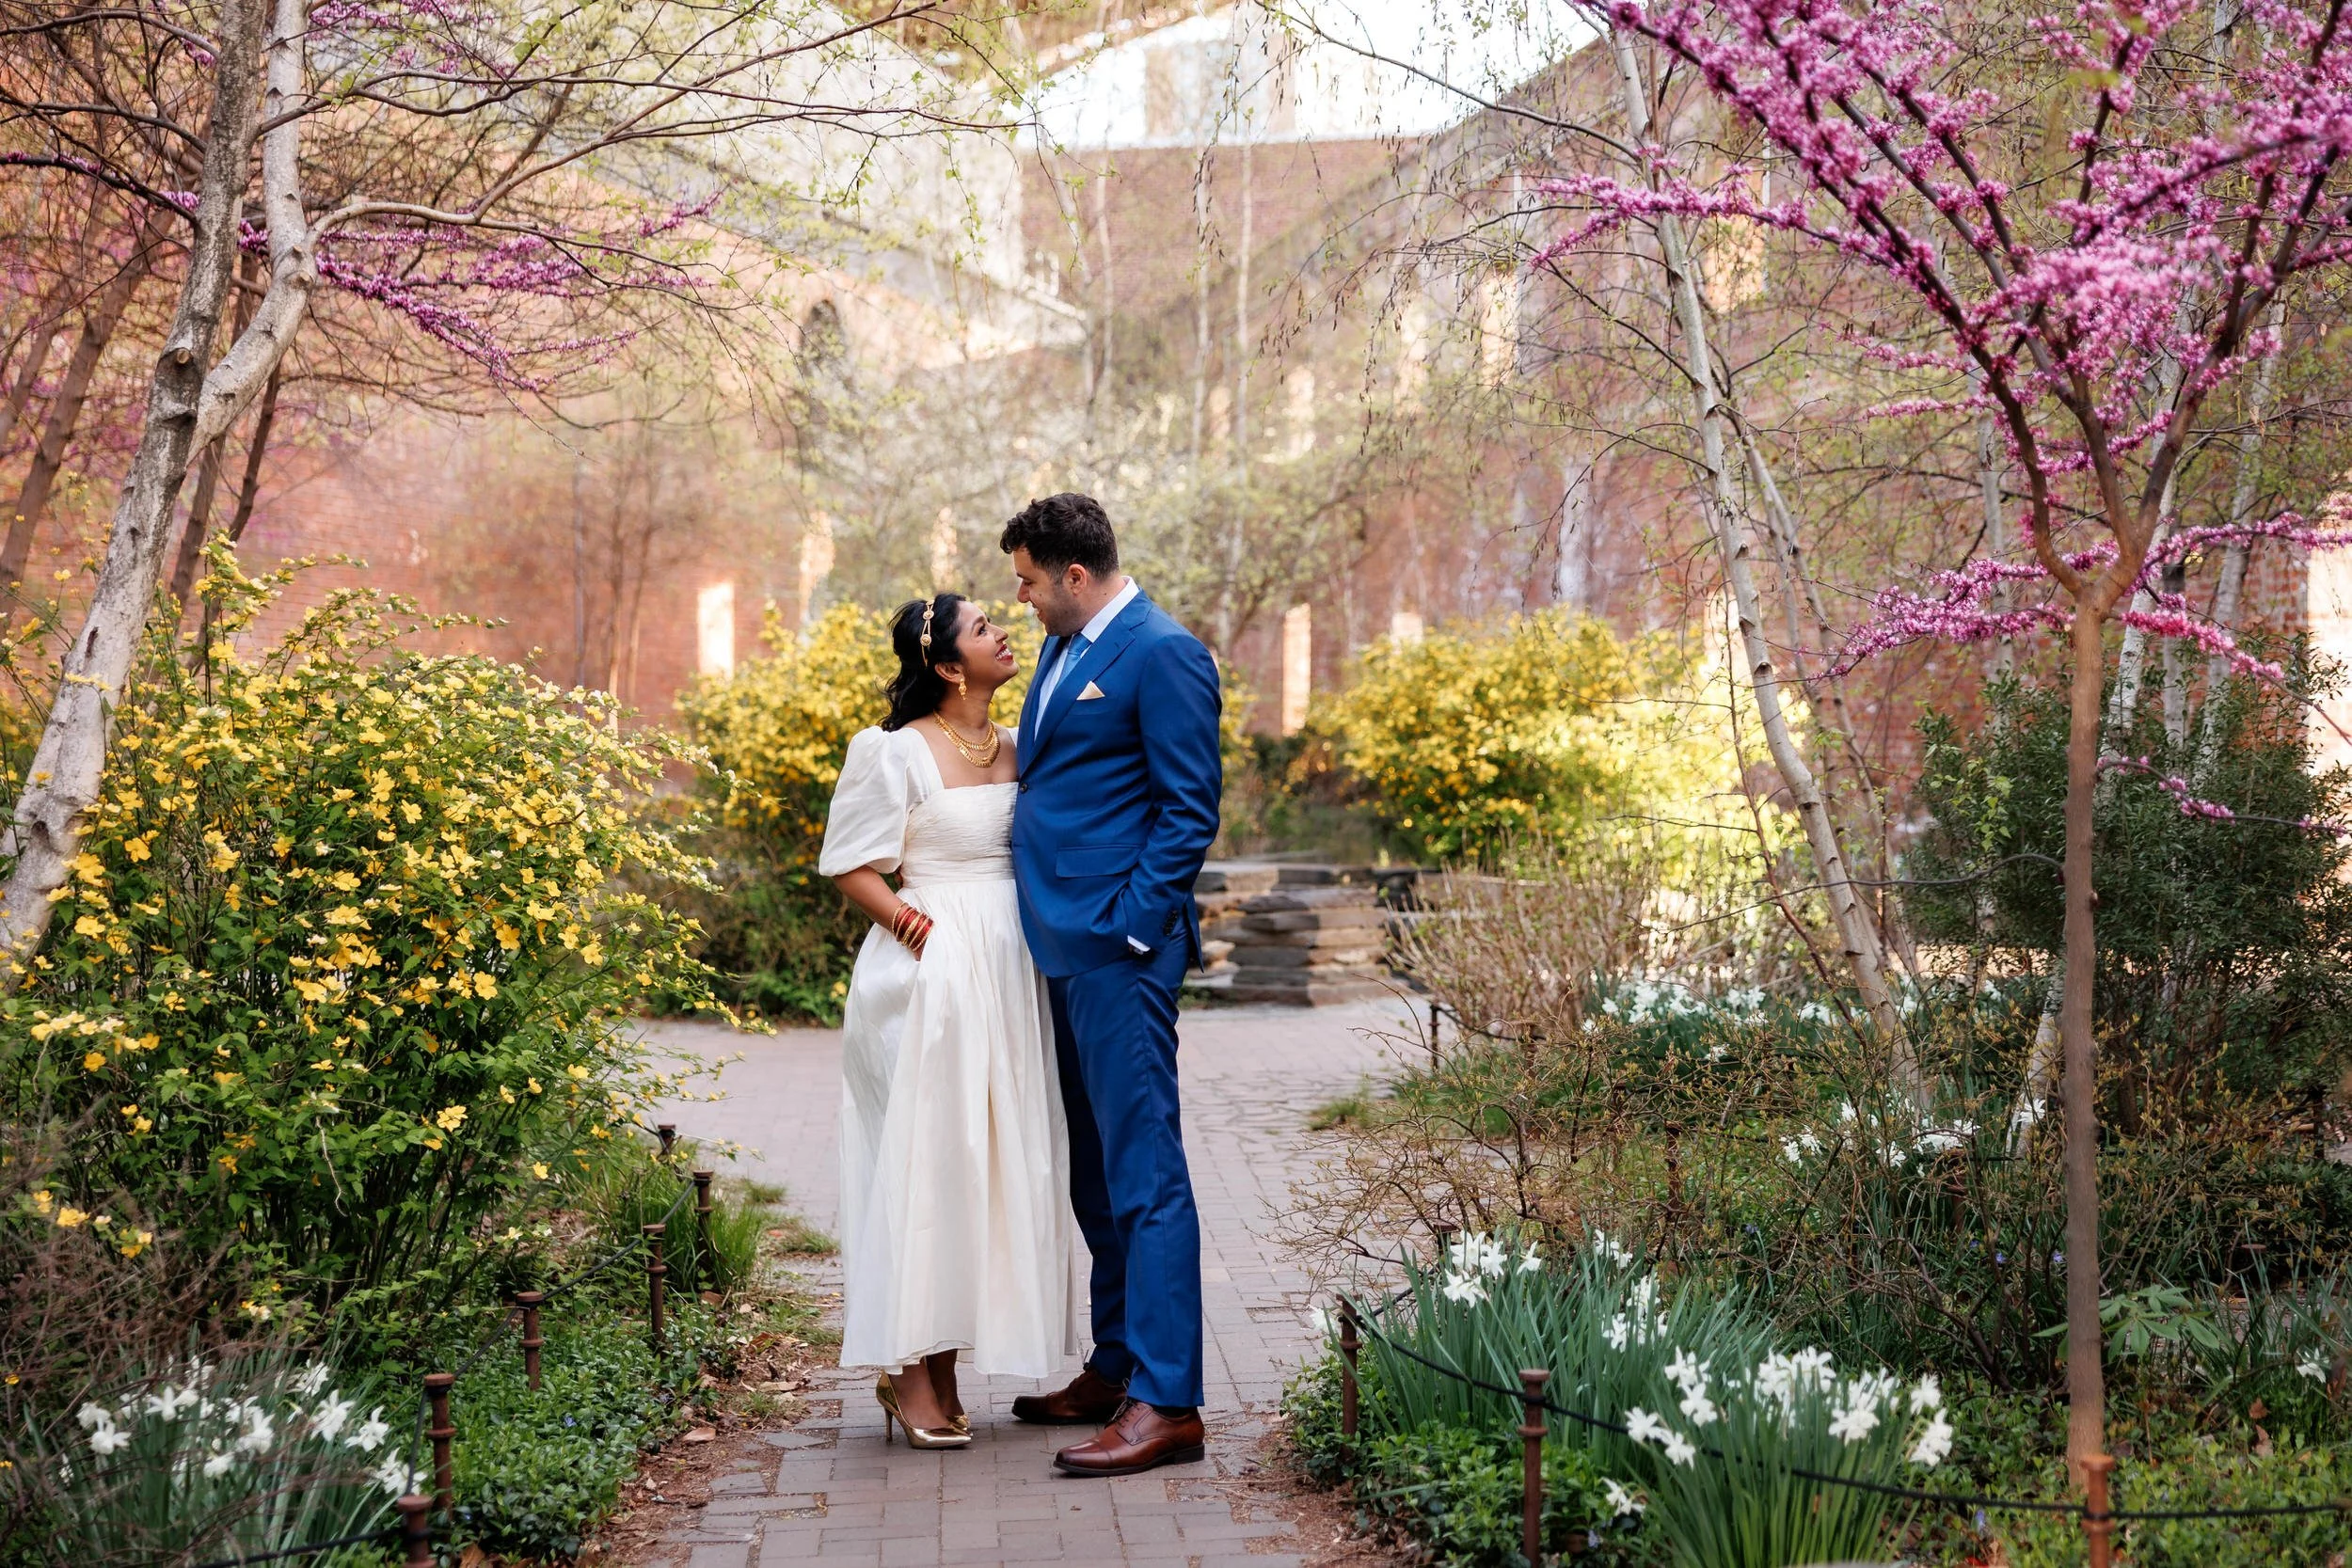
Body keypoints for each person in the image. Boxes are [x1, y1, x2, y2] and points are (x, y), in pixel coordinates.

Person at [818, 594, 1078, 1450]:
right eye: (981, 628)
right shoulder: (893, 750)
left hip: (1010, 972)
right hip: (927, 976)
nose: (1003, 632)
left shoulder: (1022, 744)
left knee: (989, 1164)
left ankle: (948, 1358)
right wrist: (912, 926)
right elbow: (850, 863)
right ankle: (909, 1366)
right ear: (946, 665)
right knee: (925, 1160)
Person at [998, 494, 1223, 1478]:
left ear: (1075, 575)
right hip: (1060, 946)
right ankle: (1117, 1362)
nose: (1021, 597)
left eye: (1027, 580)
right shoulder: (1063, 648)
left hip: (1119, 952)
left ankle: (1168, 1402)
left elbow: (1188, 807)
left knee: (1144, 1173)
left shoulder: (1163, 652)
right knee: (1094, 1171)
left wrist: (1132, 924)